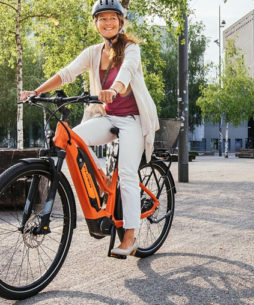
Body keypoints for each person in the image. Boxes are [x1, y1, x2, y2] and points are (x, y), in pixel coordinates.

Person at [21, 0, 159, 256]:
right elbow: (67, 73)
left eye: (112, 19)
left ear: (120, 22)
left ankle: (130, 236)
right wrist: (37, 91)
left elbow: (126, 73)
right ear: (95, 23)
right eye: (102, 19)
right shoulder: (93, 52)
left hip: (132, 119)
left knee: (128, 175)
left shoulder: (131, 48)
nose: (107, 23)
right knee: (72, 138)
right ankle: (103, 179)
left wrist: (113, 90)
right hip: (107, 117)